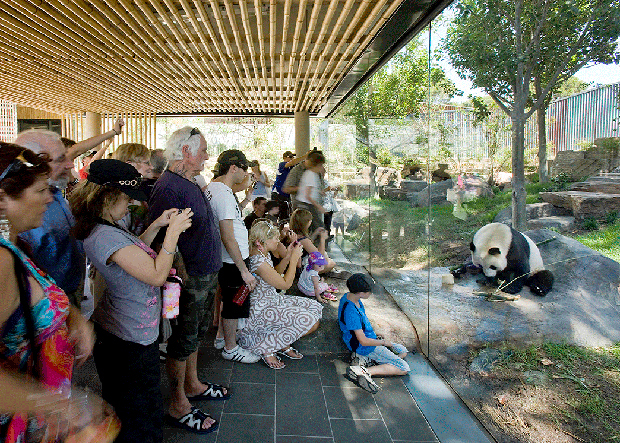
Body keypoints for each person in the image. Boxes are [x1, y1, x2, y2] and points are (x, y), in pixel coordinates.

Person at [70, 159, 194, 442]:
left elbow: (133, 248)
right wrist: (172, 235)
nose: (129, 206)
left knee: (133, 407)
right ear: (108, 196)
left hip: (126, 332)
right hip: (127, 341)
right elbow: (155, 275)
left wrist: (157, 225)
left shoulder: (106, 226)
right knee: (139, 415)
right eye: (126, 199)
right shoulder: (102, 235)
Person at [0, 142, 97, 442]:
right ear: (3, 199)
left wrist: (72, 316)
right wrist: (59, 407)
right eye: (41, 191)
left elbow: (28, 301)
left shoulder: (13, 247)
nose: (48, 199)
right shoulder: (1, 260)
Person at [147, 126, 227, 434]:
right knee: (182, 341)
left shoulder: (187, 181)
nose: (208, 156)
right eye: (203, 150)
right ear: (185, 152)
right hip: (190, 277)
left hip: (204, 273)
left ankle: (192, 385)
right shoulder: (169, 187)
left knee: (193, 337)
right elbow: (161, 238)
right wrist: (181, 274)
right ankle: (178, 403)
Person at [15, 129, 86, 307]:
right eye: (62, 158)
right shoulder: (20, 213)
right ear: (37, 161)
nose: (70, 165)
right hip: (46, 307)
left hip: (66, 296)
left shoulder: (55, 192)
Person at [238, 221, 322, 369]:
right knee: (311, 321)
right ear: (261, 241)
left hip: (271, 300)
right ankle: (267, 346)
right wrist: (295, 258)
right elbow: (285, 284)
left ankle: (281, 343)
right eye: (275, 238)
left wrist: (288, 256)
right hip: (260, 308)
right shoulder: (257, 260)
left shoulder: (262, 253)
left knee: (314, 307)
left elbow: (275, 273)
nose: (278, 241)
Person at [205, 149, 260, 364]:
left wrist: (246, 199)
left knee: (228, 301)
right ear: (234, 168)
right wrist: (244, 271)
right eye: (244, 169)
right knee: (233, 305)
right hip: (232, 261)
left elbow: (230, 216)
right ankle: (231, 347)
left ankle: (221, 337)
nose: (246, 175)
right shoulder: (222, 194)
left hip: (227, 259)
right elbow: (228, 237)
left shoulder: (217, 189)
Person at [339, 273, 410, 394]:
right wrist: (383, 342)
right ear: (361, 293)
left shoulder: (349, 297)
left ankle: (364, 360)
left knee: (402, 351)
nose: (370, 293)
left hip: (366, 341)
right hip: (366, 346)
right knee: (404, 368)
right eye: (369, 291)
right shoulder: (352, 312)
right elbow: (363, 341)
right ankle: (363, 371)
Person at [289, 208, 336, 274]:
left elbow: (307, 244)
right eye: (310, 220)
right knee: (331, 263)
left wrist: (315, 233)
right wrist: (322, 239)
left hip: (294, 264)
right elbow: (320, 257)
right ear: (306, 222)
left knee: (327, 259)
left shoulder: (293, 234)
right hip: (301, 270)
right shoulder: (304, 240)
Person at [296, 151, 327, 233]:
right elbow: (307, 196)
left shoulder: (310, 173)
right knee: (318, 226)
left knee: (316, 227)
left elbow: (309, 188)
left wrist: (319, 192)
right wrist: (319, 206)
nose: (322, 167)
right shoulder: (311, 175)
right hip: (306, 205)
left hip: (307, 205)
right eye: (321, 165)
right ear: (317, 165)